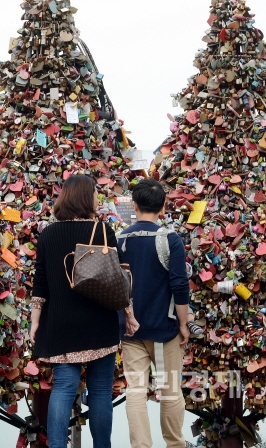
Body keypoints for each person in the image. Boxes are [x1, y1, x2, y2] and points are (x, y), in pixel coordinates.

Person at [30, 175, 138, 448]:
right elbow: (119, 279)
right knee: (101, 390)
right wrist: (129, 315)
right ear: (86, 198)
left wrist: (35, 322)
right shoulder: (102, 231)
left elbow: (40, 282)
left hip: (60, 324)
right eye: (93, 194)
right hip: (98, 322)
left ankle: (57, 445)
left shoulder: (48, 234)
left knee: (64, 388)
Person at [117, 178, 190, 448]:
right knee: (170, 390)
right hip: (165, 330)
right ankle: (174, 444)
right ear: (163, 207)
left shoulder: (119, 239)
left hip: (131, 330)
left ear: (134, 205)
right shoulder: (170, 239)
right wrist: (183, 323)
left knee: (135, 390)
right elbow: (179, 285)